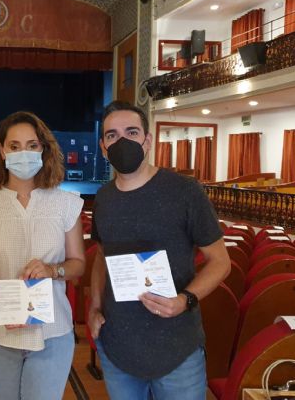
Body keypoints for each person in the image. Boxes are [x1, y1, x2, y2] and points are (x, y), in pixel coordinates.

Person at [87, 101, 231, 400]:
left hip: (177, 347)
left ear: (148, 140)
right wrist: (95, 307)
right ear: (103, 147)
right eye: (112, 135)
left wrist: (184, 300)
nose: (122, 141)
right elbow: (102, 256)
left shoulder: (185, 191)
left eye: (132, 132)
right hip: (118, 345)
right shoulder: (104, 198)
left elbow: (220, 261)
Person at [0, 111, 85, 400]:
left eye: (32, 145)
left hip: (52, 332)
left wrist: (53, 270)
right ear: (2, 150)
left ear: (43, 149)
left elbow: (78, 264)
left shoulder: (66, 203)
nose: (23, 153)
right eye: (14, 146)